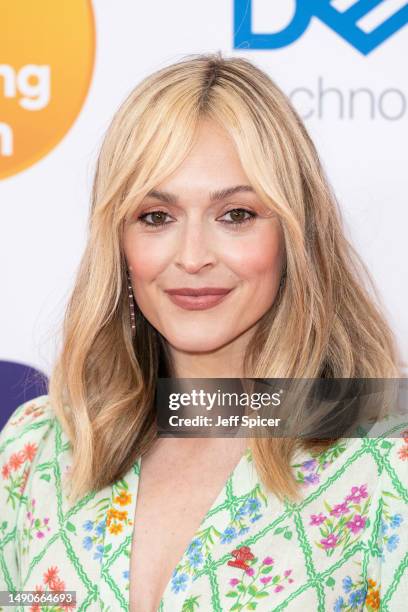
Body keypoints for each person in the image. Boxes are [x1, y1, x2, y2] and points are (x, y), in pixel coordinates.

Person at [0, 52, 407, 612]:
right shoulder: (37, 450)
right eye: (156, 217)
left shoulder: (389, 458)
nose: (192, 257)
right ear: (117, 242)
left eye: (236, 214)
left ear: (296, 233)